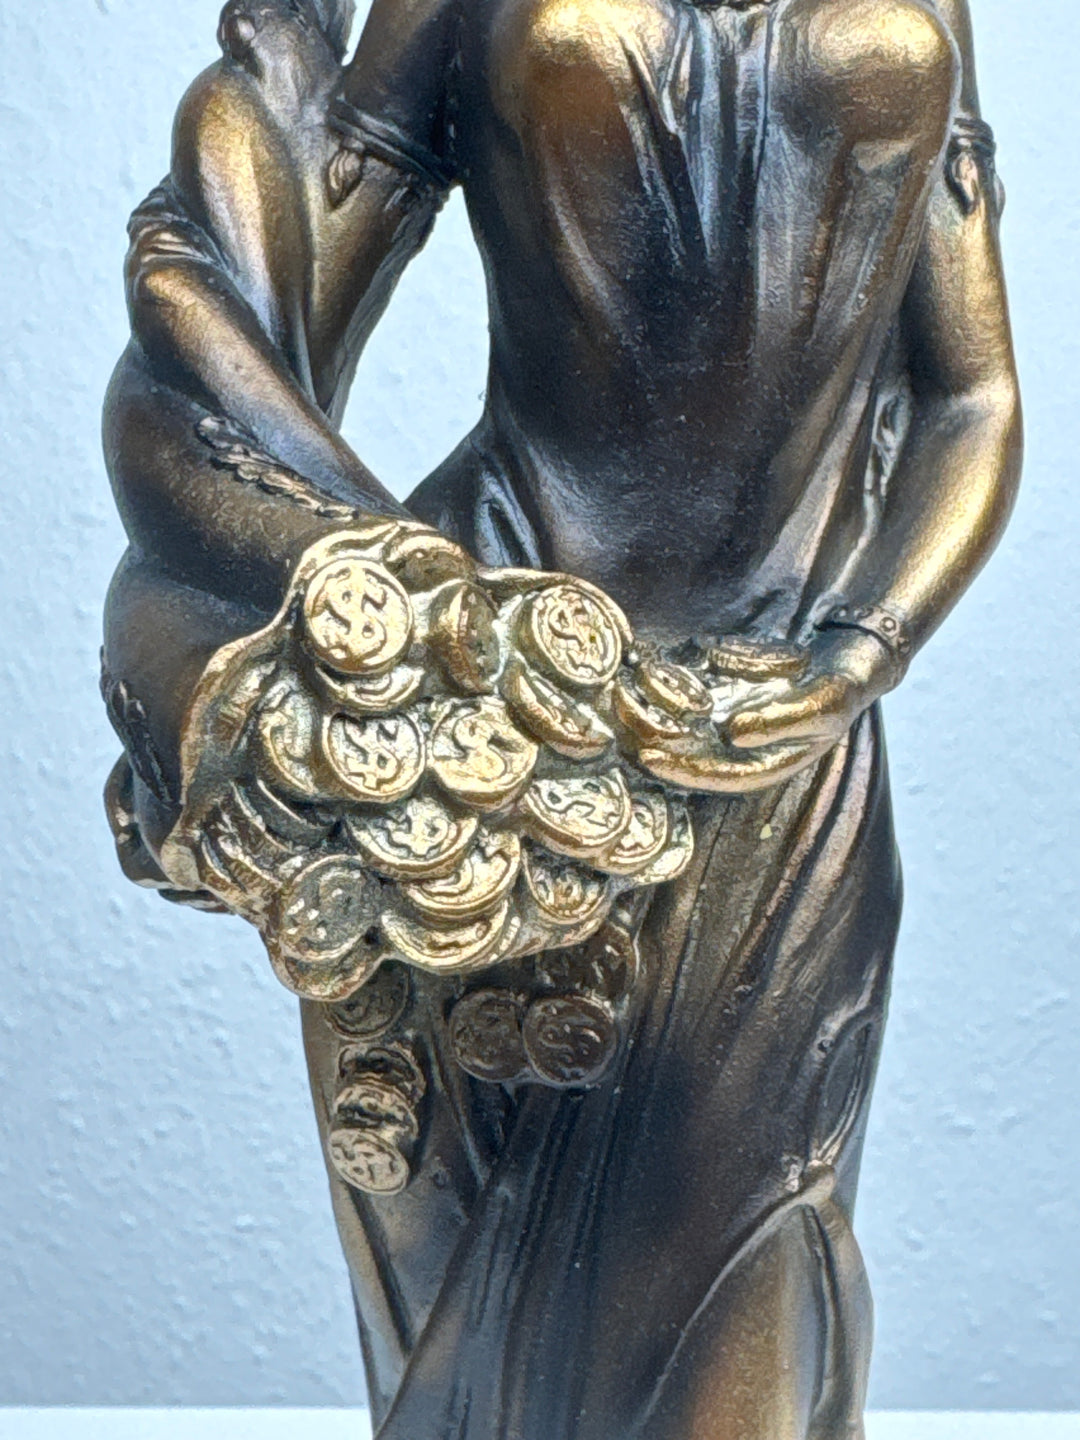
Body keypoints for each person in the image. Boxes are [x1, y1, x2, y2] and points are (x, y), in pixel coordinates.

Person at [101, 0, 1020, 1434]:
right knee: (469, 1332)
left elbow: (972, 396)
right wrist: (377, 639)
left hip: (781, 741)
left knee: (754, 1264)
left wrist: (858, 652)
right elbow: (285, 320)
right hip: (484, 749)